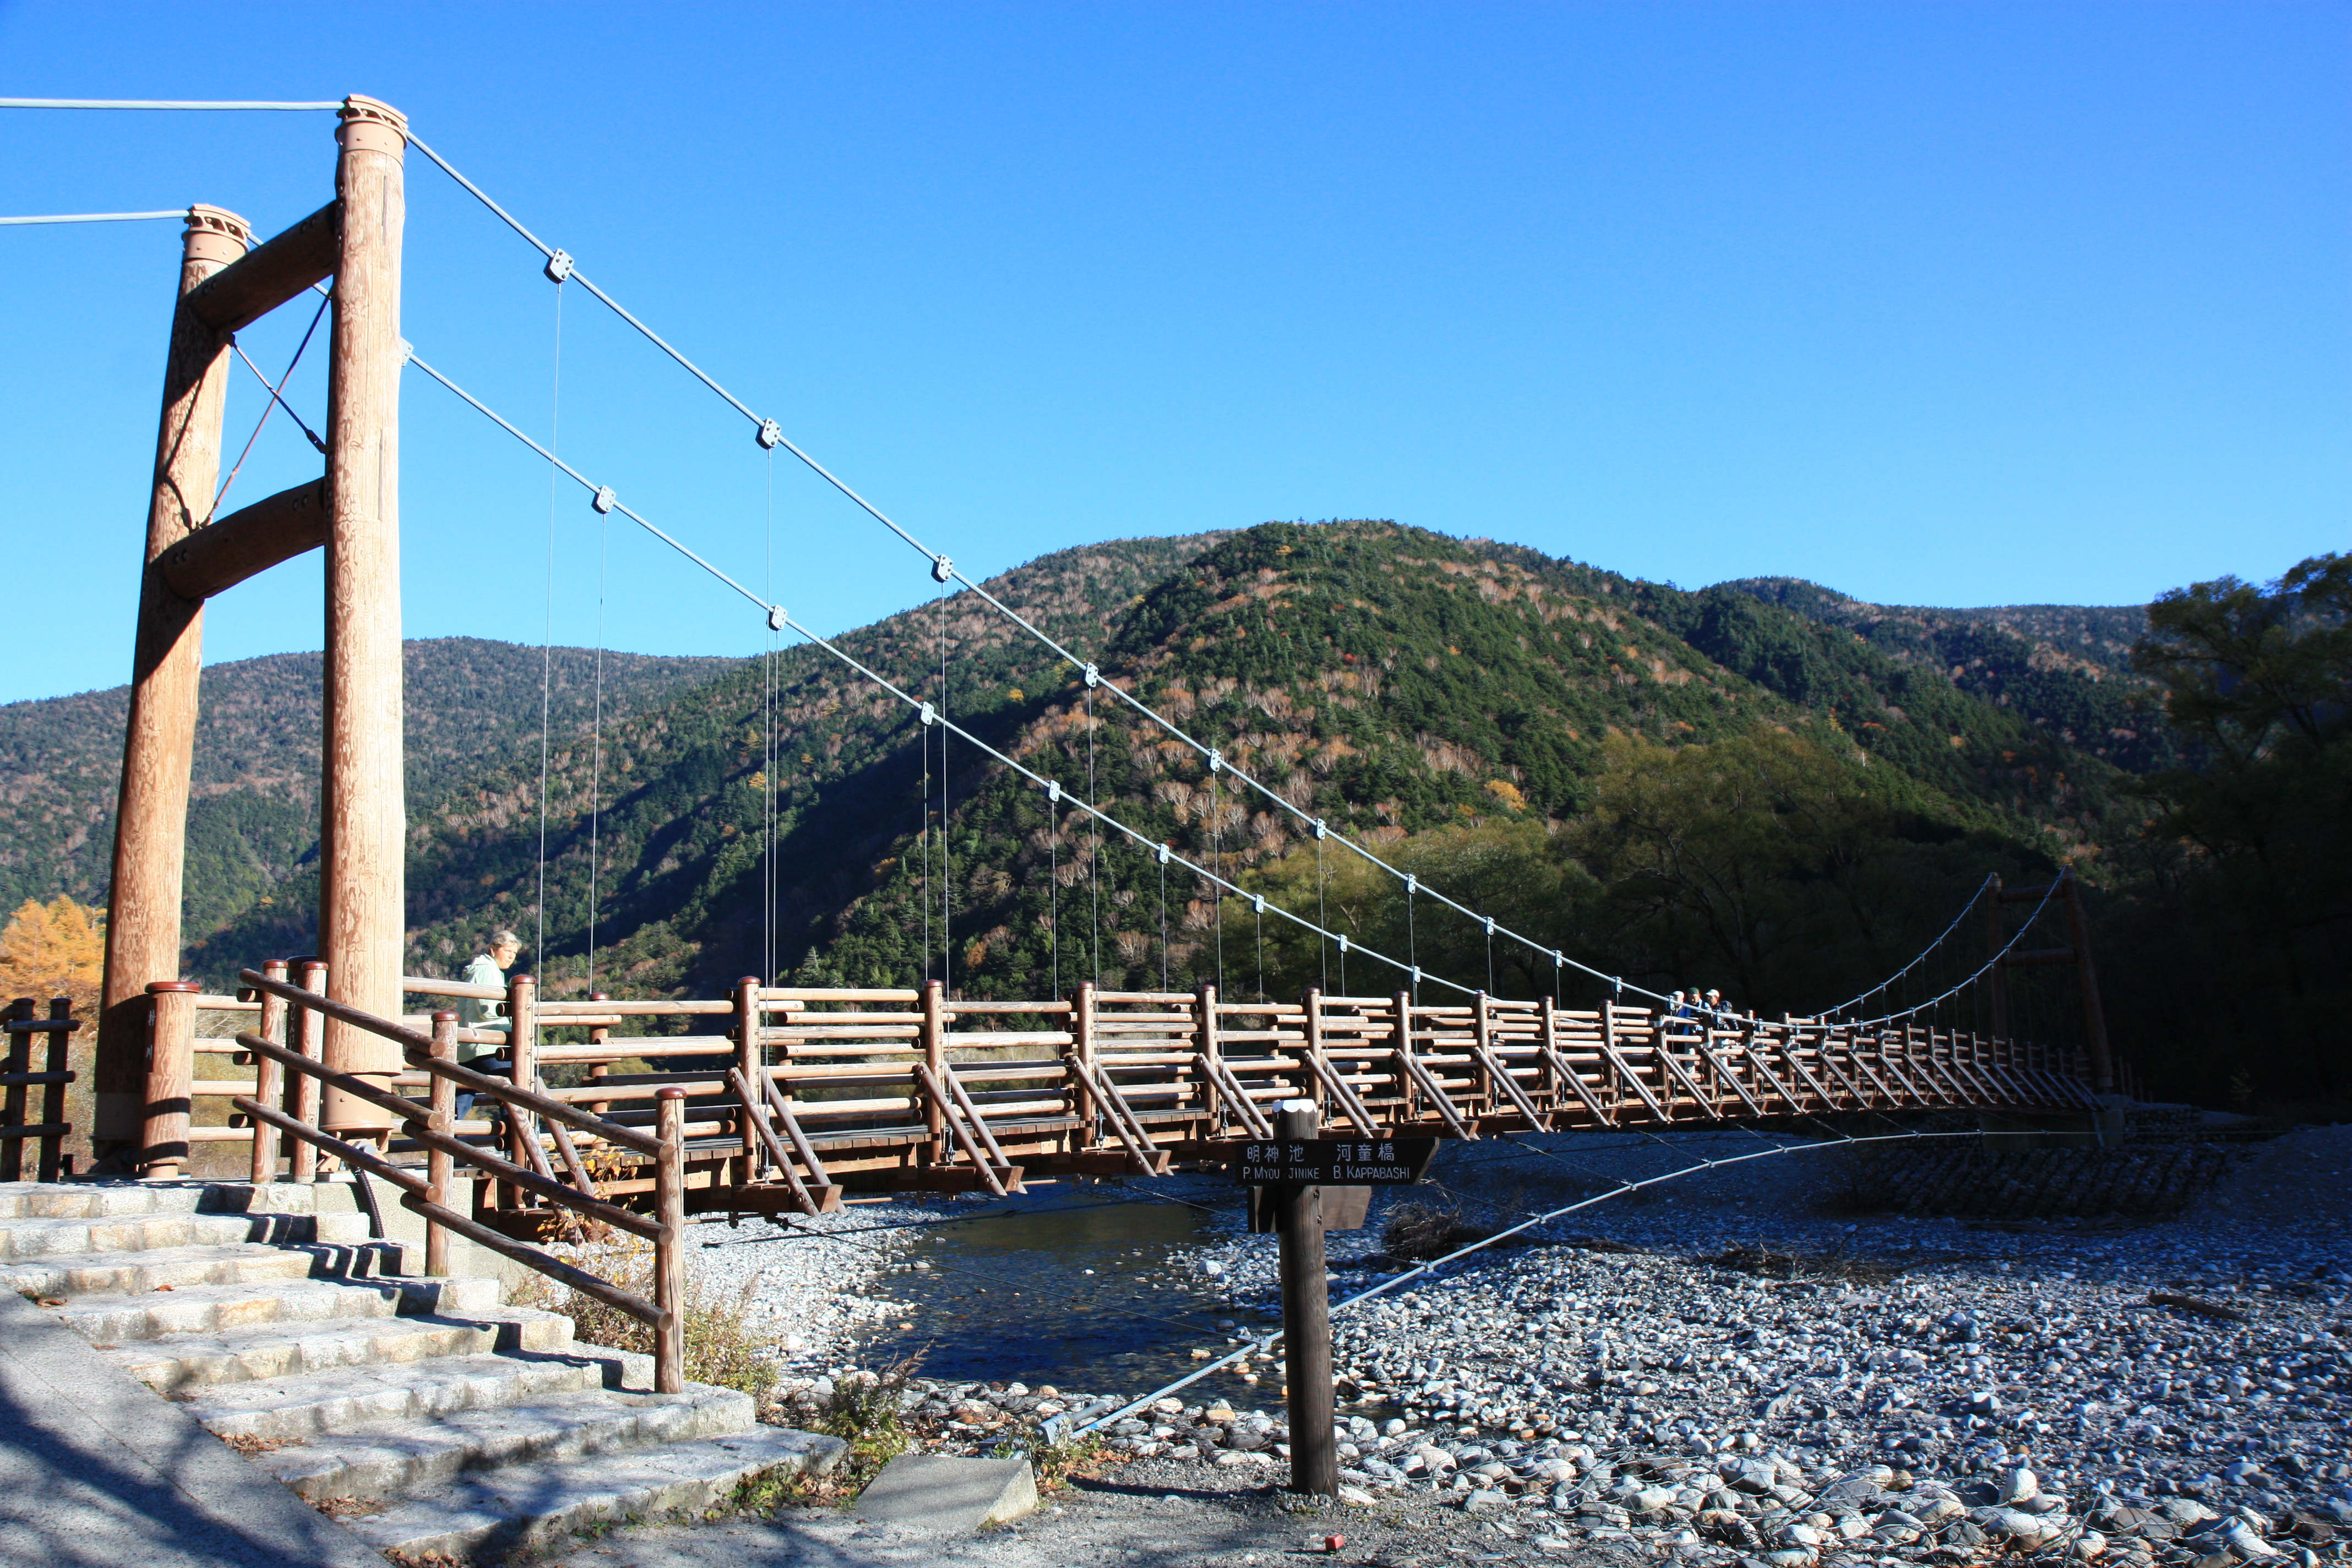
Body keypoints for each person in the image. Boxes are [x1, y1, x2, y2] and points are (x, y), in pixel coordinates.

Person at [453, 929, 521, 1120]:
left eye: (514, 953)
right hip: (488, 1046)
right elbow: (489, 1009)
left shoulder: (480, 970)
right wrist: (514, 1008)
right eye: (507, 951)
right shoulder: (488, 970)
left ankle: (446, 1141)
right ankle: (516, 1142)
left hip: (470, 1048)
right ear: (494, 950)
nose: (511, 956)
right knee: (513, 1091)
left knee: (463, 1097)